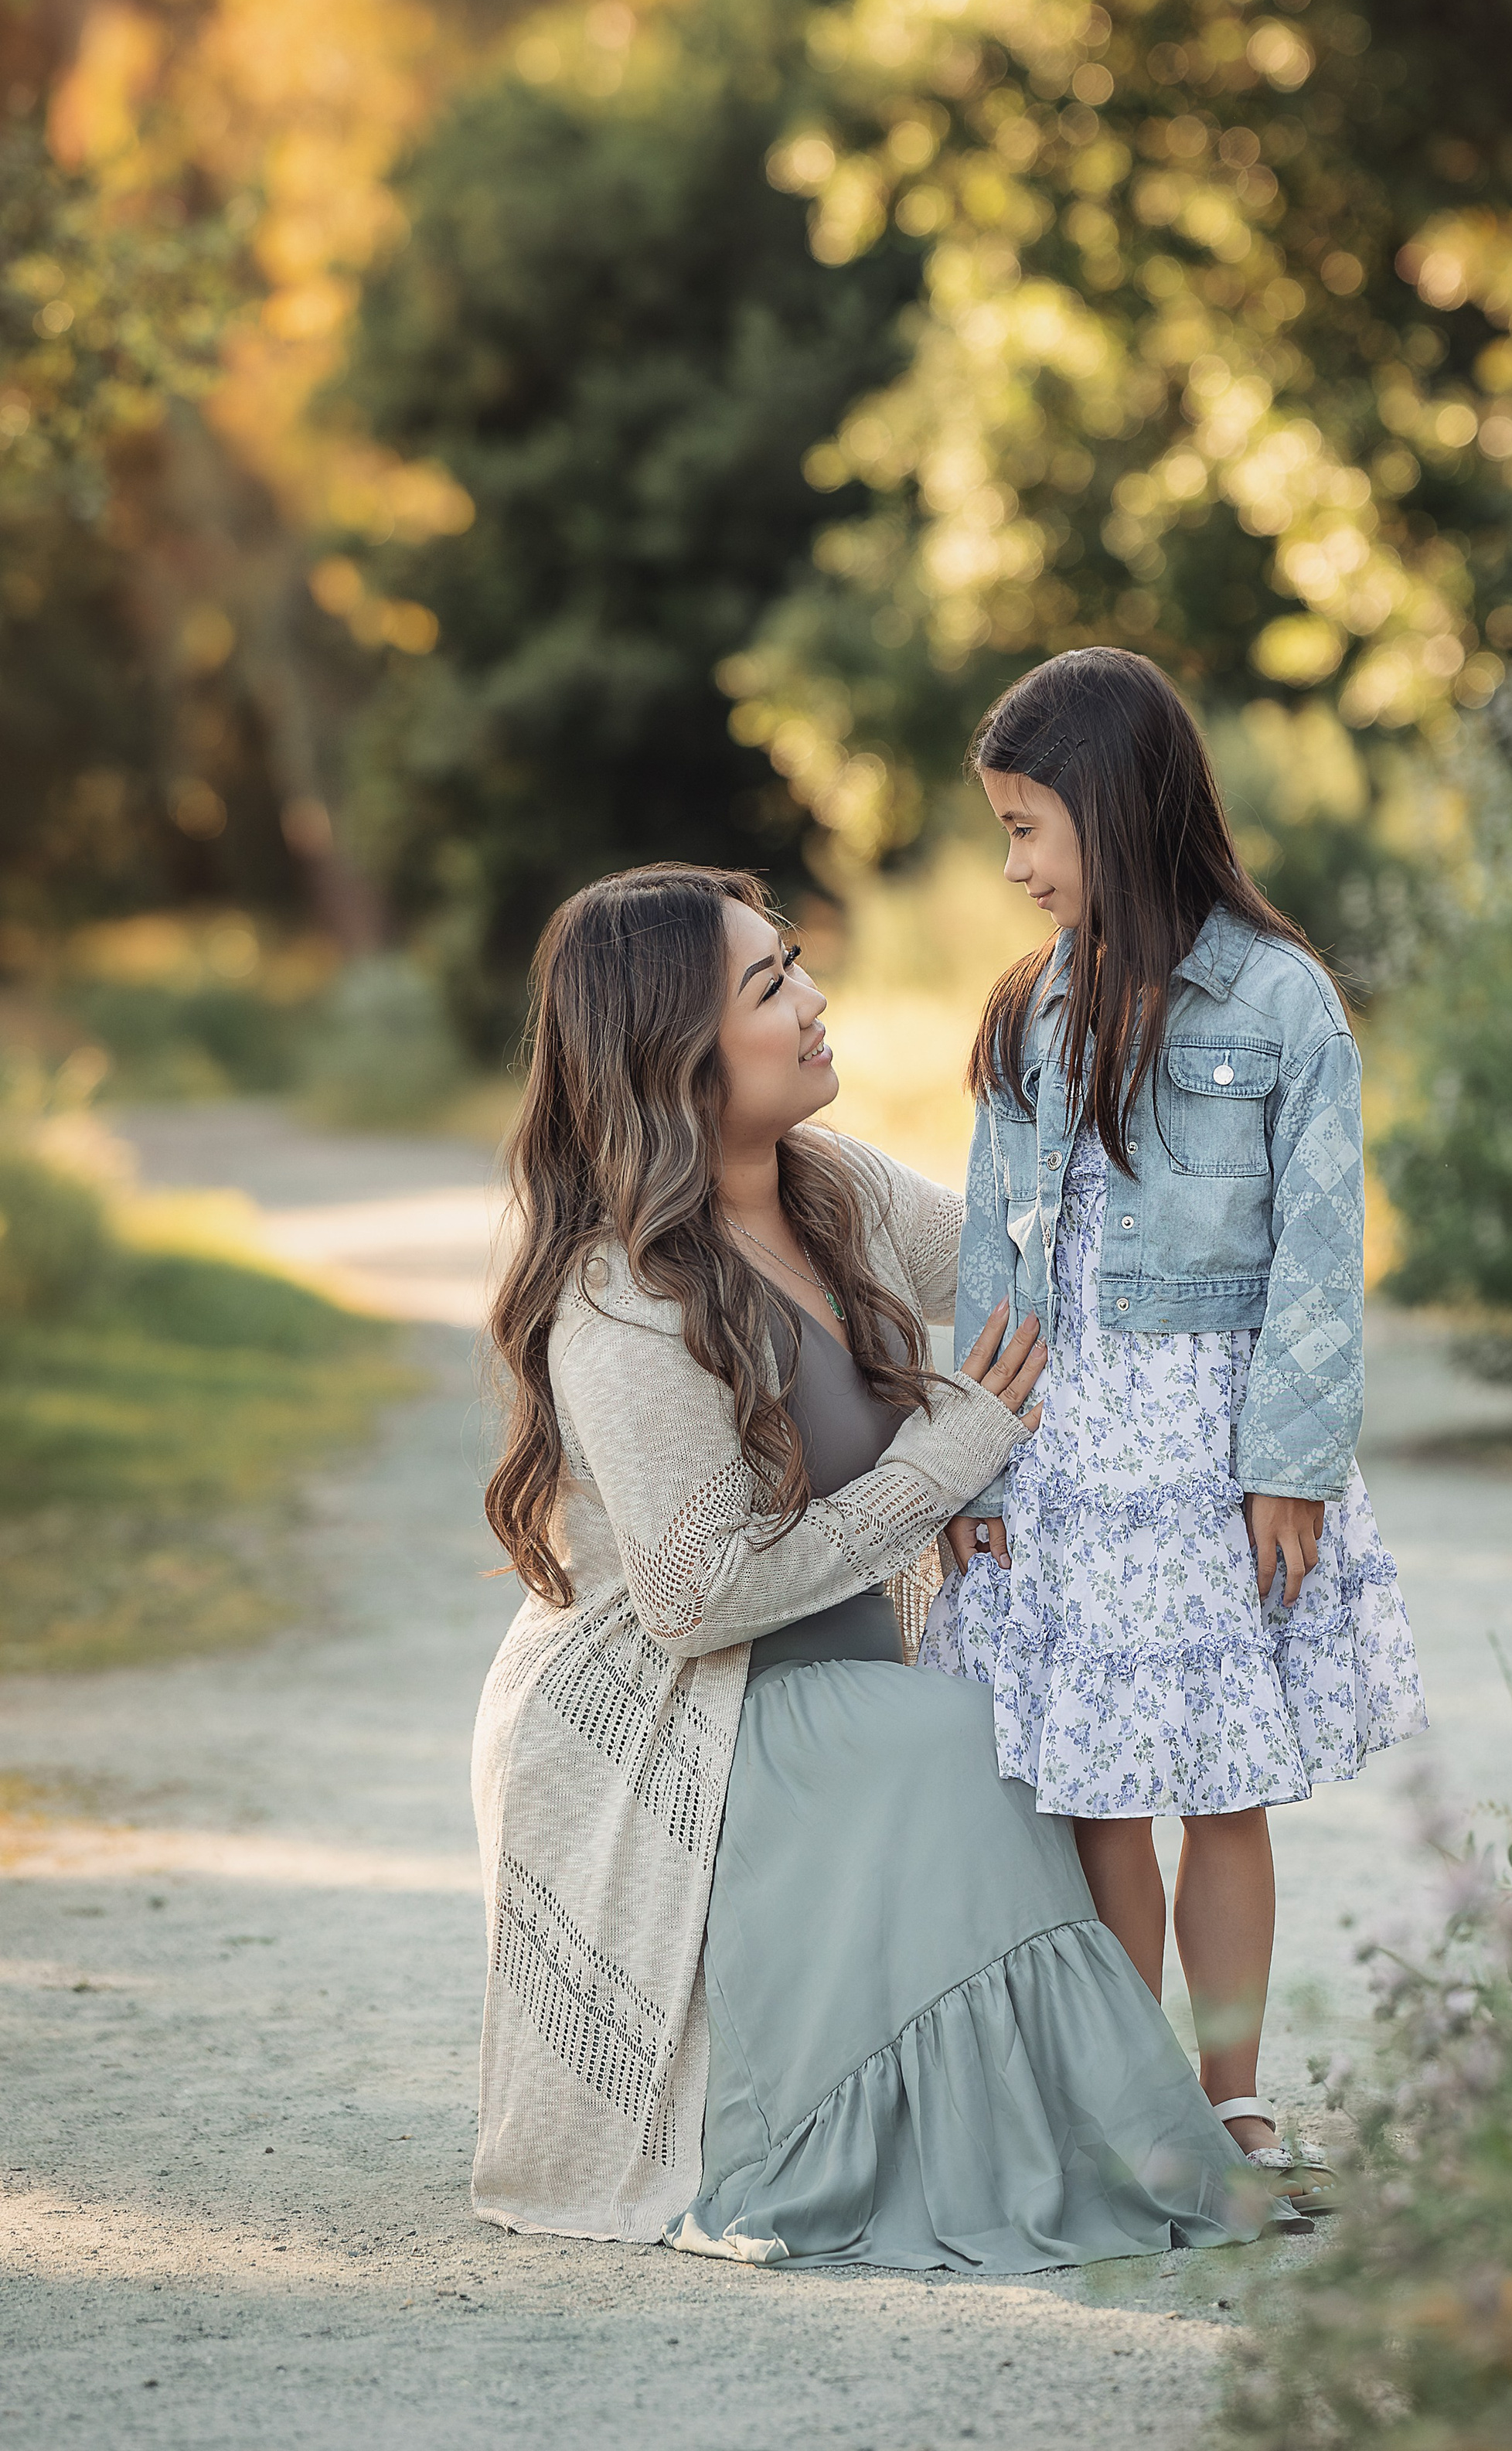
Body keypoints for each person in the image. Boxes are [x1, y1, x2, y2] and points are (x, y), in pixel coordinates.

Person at [471, 861, 1280, 2267]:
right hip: (693, 1723)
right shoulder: (623, 1295)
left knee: (1018, 1721)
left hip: (838, 1680)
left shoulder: (827, 1188)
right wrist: (938, 1468)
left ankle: (1102, 2126)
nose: (816, 1001)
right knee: (973, 1740)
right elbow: (693, 1597)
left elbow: (1015, 1287)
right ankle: (1036, 2144)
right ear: (675, 1053)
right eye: (770, 986)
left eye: (797, 966)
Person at [921, 647, 1427, 2197]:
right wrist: (968, 1454)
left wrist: (1285, 1466)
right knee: (1090, 1788)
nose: (1012, 864)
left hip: (1210, 1457)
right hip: (1068, 1455)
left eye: (1027, 826)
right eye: (1001, 831)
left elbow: (1314, 1253)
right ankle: (1123, 2087)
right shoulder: (1028, 1013)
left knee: (1219, 1782)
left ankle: (1229, 2098)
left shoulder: (1279, 1003)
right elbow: (989, 1252)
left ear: (1116, 807)